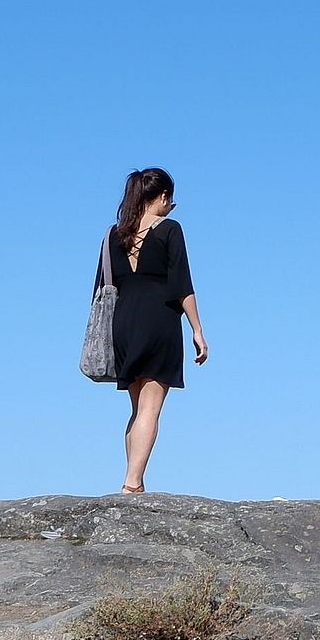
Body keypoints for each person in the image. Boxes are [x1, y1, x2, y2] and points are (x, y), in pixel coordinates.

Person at [96, 167, 206, 494]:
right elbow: (181, 285)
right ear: (162, 196)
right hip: (158, 320)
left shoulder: (114, 235)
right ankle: (131, 484)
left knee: (136, 408)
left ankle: (135, 481)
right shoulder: (169, 229)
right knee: (151, 408)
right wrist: (197, 329)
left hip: (123, 324)